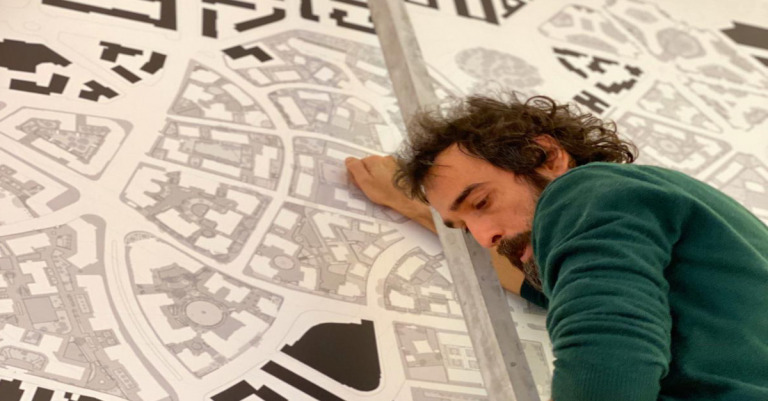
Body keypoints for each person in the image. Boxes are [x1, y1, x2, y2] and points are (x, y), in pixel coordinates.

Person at [345, 93, 768, 401]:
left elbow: (610, 348)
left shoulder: (585, 191)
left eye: (482, 202)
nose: (482, 237)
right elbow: (558, 286)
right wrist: (413, 207)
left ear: (547, 157)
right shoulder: (641, 229)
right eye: (463, 227)